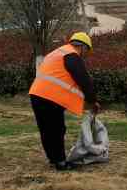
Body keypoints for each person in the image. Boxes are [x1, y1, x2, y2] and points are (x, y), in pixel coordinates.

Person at [28, 32, 99, 171]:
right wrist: (93, 101)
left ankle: (53, 159)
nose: (85, 54)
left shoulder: (56, 53)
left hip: (36, 94)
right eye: (86, 51)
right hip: (50, 98)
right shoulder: (72, 55)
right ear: (83, 47)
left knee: (46, 130)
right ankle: (60, 162)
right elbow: (84, 80)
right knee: (57, 129)